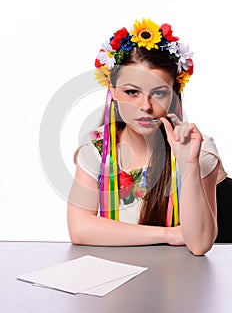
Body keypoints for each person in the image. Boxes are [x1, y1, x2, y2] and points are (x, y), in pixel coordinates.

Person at [67, 18, 227, 255]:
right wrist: (167, 234)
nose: (146, 106)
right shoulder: (98, 149)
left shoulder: (199, 150)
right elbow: (80, 229)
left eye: (159, 93)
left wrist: (189, 164)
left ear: (174, 93)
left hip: (177, 281)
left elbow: (200, 244)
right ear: (112, 91)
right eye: (132, 92)